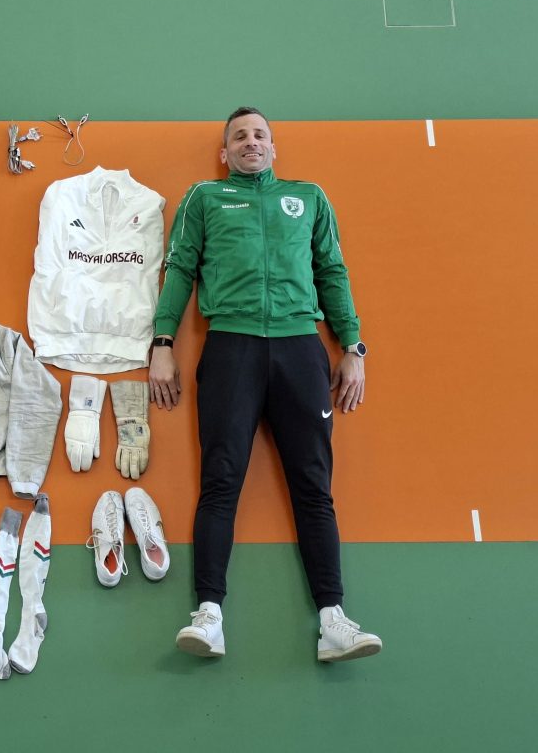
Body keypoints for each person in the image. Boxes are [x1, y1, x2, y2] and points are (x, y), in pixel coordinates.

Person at [149, 107, 381, 662]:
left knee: (314, 486)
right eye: (239, 136)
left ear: (274, 148)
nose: (250, 142)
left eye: (259, 135)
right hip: (232, 348)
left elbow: (333, 271)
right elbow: (179, 269)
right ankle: (209, 616)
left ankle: (334, 621)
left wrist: (353, 347)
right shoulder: (204, 197)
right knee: (220, 480)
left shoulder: (309, 198)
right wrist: (162, 343)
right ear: (224, 152)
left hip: (301, 350)